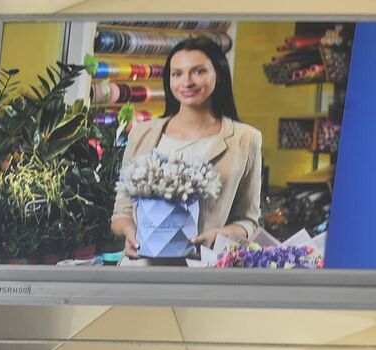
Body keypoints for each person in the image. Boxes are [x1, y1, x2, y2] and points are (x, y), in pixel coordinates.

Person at [110, 36, 262, 263]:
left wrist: (220, 235)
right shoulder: (141, 134)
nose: (187, 82)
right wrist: (130, 232)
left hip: (201, 270)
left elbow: (248, 221)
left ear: (218, 75)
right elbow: (120, 213)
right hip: (140, 268)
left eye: (198, 72)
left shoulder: (245, 139)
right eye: (177, 73)